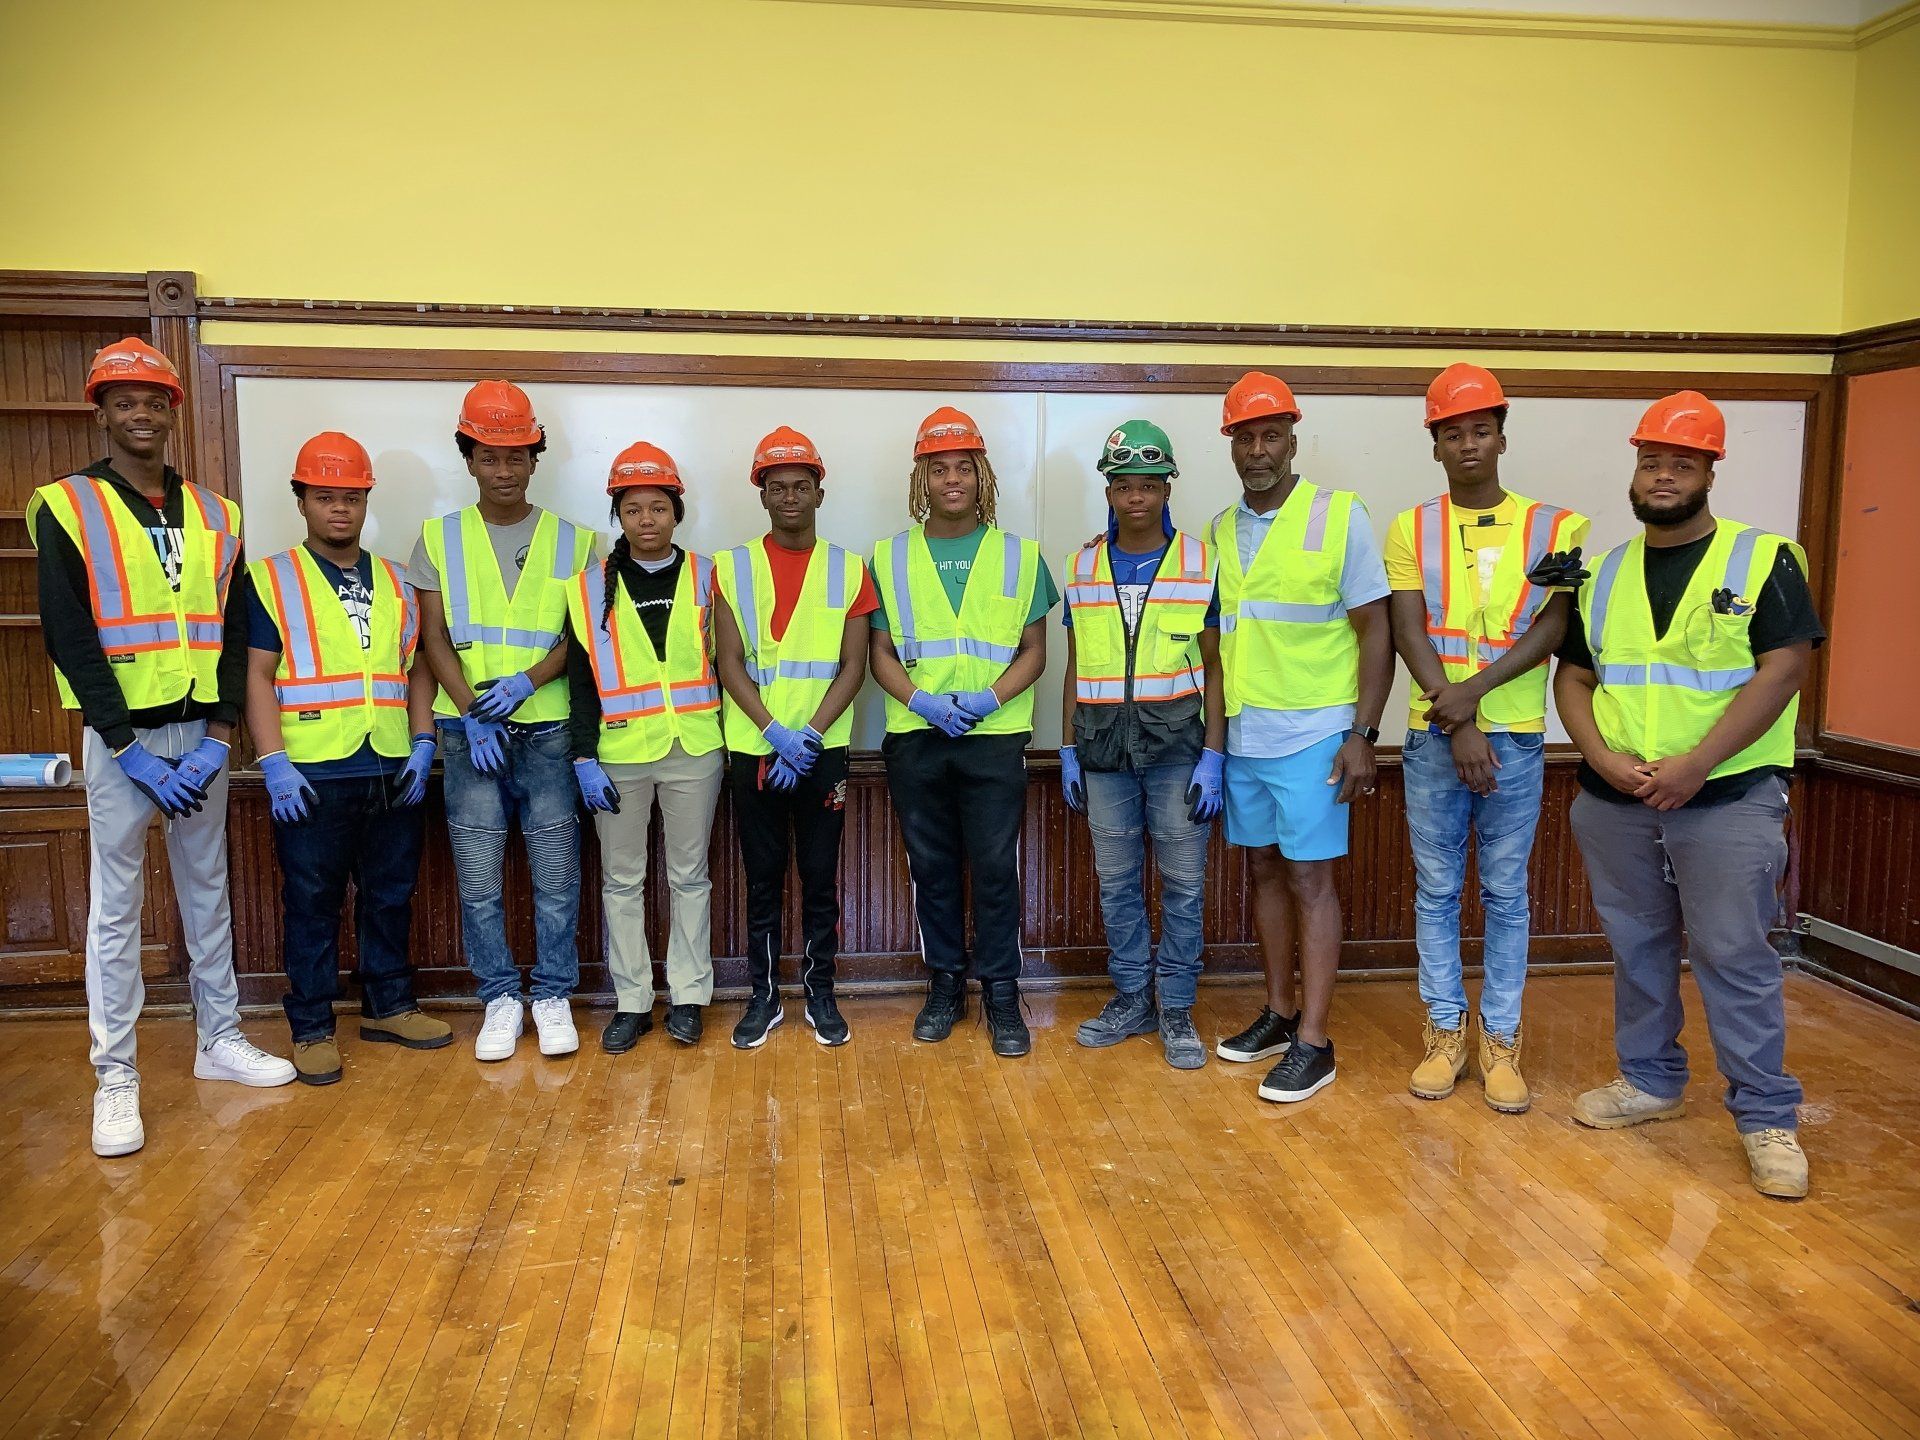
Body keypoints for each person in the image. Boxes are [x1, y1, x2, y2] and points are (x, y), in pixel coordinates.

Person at [29, 337, 295, 1157]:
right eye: (124, 401)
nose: (140, 413)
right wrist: (126, 748)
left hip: (198, 738)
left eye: (154, 401)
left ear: (174, 411)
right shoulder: (66, 504)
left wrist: (220, 738)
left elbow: (237, 630)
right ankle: (117, 1078)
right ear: (101, 411)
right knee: (117, 910)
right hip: (125, 742)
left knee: (207, 890)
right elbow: (70, 636)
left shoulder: (219, 514)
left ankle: (220, 1040)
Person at [1555, 391, 1822, 1200]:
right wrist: (1598, 757)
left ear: (1710, 469)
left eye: (1680, 461)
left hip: (1727, 796)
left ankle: (1767, 1115)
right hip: (1618, 798)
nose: (1662, 475)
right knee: (1637, 949)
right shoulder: (1603, 572)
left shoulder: (1764, 558)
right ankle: (1650, 1081)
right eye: (1650, 461)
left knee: (1734, 955)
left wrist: (1699, 762)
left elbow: (1785, 668)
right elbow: (1574, 675)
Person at [1385, 365, 1589, 1113]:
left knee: (1506, 895)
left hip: (1518, 738)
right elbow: (1409, 628)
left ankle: (1501, 1040)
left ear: (1501, 436)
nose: (1466, 444)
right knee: (1437, 891)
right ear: (1434, 444)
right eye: (1451, 433)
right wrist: (1459, 718)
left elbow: (1554, 627)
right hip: (1433, 736)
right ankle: (1445, 1033)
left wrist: (1471, 702)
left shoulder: (1557, 527)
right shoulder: (1412, 525)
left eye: (1479, 429)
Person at [244, 432, 452, 1085]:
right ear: (301, 501)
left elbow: (416, 667)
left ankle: (388, 1004)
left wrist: (423, 741)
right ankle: (310, 1026)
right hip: (309, 771)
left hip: (390, 763)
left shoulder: (395, 578)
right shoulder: (271, 577)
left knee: (391, 894)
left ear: (367, 502)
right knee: (312, 901)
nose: (341, 510)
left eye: (352, 498)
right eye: (326, 497)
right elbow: (256, 674)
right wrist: (272, 760)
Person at [1210, 372, 1393, 1104]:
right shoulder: (1220, 528)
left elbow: (1375, 629)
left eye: (1271, 436)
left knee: (1312, 881)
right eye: (1246, 438)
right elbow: (1219, 640)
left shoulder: (1339, 515)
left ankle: (1316, 1041)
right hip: (1247, 735)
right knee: (1262, 875)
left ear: (1293, 438)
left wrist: (1363, 733)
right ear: (1232, 445)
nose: (1259, 450)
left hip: (1317, 733)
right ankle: (1280, 1014)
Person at [409, 381, 595, 1062]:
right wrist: (468, 712)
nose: (504, 470)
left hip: (548, 733)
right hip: (469, 738)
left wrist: (528, 681)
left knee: (555, 877)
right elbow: (430, 640)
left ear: (535, 458)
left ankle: (551, 994)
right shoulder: (437, 537)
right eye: (490, 456)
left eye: (517, 456)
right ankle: (498, 998)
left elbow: (581, 640)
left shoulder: (577, 543)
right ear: (469, 458)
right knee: (480, 879)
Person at [869, 406, 1058, 1058]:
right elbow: (880, 654)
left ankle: (1002, 992)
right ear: (922, 478)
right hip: (917, 738)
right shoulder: (888, 556)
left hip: (994, 736)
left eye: (963, 468)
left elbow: (1035, 651)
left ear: (981, 476)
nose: (952, 479)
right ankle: (946, 983)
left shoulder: (1021, 556)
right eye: (938, 468)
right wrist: (923, 701)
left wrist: (986, 699)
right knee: (933, 868)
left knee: (995, 869)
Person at [1060, 420, 1224, 1070]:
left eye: (1149, 486)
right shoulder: (1081, 564)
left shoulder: (1200, 563)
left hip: (1179, 750)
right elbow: (1074, 662)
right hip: (1101, 753)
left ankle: (1176, 1005)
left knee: (1184, 883)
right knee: (1117, 882)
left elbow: (1216, 666)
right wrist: (1067, 744)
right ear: (1109, 487)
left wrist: (1215, 754)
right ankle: (1132, 996)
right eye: (1124, 485)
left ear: (1166, 488)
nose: (1136, 498)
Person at [713, 427, 878, 1050]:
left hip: (821, 752)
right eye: (777, 487)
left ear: (819, 492)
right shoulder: (730, 568)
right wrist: (774, 732)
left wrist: (805, 735)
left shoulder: (849, 569)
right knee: (761, 876)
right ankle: (762, 997)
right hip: (755, 750)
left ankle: (821, 992)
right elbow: (729, 662)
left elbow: (853, 667)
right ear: (761, 495)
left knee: (819, 875)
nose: (789, 498)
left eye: (800, 486)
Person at [566, 442, 724, 1049]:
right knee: (621, 881)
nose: (647, 520)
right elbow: (583, 681)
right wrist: (583, 756)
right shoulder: (586, 589)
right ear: (618, 516)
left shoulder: (710, 577)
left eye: (658, 507)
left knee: (690, 877)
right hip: (619, 754)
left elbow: (731, 666)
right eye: (633, 509)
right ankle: (632, 1001)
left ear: (676, 511)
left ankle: (688, 996)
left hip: (695, 748)